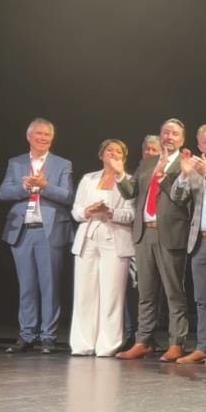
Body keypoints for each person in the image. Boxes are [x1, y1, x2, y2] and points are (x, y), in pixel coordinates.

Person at [116, 118, 193, 361]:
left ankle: (176, 342)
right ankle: (143, 340)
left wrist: (166, 176)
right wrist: (119, 174)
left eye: (174, 134)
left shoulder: (185, 163)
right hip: (144, 232)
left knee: (173, 292)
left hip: (169, 233)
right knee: (146, 293)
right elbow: (131, 192)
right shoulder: (148, 161)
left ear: (182, 140)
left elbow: (182, 198)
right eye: (165, 132)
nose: (169, 137)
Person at [0, 118, 75, 354]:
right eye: (38, 134)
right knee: (27, 286)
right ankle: (26, 334)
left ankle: (48, 336)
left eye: (47, 135)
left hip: (48, 230)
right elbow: (3, 193)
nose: (42, 138)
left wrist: (44, 185)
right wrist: (22, 188)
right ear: (29, 136)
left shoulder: (62, 164)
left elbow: (67, 196)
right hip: (22, 231)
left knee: (49, 285)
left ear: (52, 139)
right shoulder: (16, 163)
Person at [170, 124, 206, 364]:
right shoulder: (193, 169)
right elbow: (176, 196)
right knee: (202, 299)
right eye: (205, 142)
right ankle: (204, 346)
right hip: (199, 241)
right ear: (199, 146)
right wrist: (184, 174)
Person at [68, 139, 134, 356]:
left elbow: (133, 214)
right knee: (84, 293)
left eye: (117, 151)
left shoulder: (129, 181)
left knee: (111, 294)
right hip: (88, 237)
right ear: (101, 154)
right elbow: (76, 210)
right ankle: (82, 344)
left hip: (114, 239)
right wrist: (88, 210)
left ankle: (108, 345)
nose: (112, 154)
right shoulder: (89, 179)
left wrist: (111, 212)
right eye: (109, 150)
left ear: (123, 157)